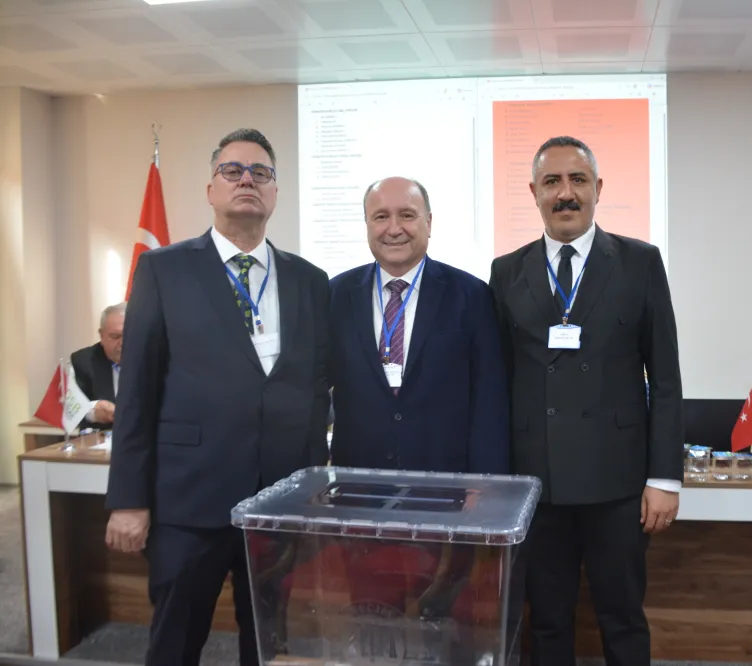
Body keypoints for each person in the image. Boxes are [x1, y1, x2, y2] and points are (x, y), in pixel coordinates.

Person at [104, 128, 332, 666]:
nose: (247, 180)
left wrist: (313, 484)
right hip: (189, 503)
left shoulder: (310, 280)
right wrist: (128, 499)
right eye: (233, 171)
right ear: (211, 189)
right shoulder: (163, 270)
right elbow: (136, 392)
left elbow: (316, 390)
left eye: (261, 172)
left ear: (275, 192)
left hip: (278, 506)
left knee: (268, 642)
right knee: (176, 643)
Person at [489, 136, 684, 666]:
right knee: (547, 621)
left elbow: (665, 377)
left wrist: (665, 478)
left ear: (598, 188)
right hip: (536, 484)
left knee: (622, 618)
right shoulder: (506, 271)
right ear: (534, 192)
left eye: (577, 180)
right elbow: (499, 381)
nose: (565, 193)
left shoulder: (640, 262)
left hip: (618, 485)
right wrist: (497, 480)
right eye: (552, 182)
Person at [327, 176, 509, 475]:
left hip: (446, 480)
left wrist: (486, 482)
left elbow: (489, 401)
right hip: (357, 479)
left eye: (407, 215)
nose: (394, 228)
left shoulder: (472, 296)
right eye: (381, 217)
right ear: (367, 225)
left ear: (429, 222)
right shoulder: (335, 294)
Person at [70, 301, 125, 429]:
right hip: (103, 436)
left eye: (130, 335)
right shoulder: (84, 361)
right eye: (115, 336)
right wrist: (93, 412)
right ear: (102, 335)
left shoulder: (157, 358)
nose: (123, 343)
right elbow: (71, 408)